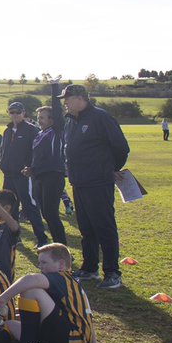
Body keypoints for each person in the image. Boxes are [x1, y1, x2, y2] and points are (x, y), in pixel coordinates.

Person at [61, 84, 130, 290]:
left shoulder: (101, 118)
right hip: (79, 182)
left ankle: (112, 273)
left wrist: (108, 169)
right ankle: (90, 268)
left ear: (81, 98)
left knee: (104, 227)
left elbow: (121, 148)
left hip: (98, 182)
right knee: (86, 227)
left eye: (68, 98)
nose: (65, 103)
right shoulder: (70, 121)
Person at [0, 102, 48, 246]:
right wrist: (1, 162)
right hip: (8, 175)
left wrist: (31, 167)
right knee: (10, 207)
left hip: (24, 175)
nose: (14, 115)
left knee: (30, 207)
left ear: (23, 113)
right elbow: (3, 150)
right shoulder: (7, 131)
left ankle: (41, 239)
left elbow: (38, 151)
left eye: (17, 112)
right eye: (12, 112)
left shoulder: (31, 130)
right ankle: (15, 237)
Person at [27, 89, 68, 245]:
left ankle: (62, 247)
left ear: (52, 119)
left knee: (51, 214)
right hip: (39, 177)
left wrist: (54, 86)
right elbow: (39, 158)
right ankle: (57, 246)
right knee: (46, 214)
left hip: (53, 176)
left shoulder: (56, 131)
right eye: (38, 117)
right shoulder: (40, 134)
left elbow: (58, 112)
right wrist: (32, 169)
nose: (39, 120)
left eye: (42, 117)